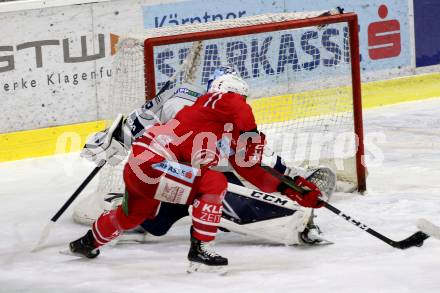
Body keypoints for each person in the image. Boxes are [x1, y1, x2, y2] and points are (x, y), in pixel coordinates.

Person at [69, 73, 326, 273]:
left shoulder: (225, 128)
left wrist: (295, 190)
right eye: (243, 98)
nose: (245, 103)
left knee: (133, 215)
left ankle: (87, 243)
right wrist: (251, 133)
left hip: (145, 168)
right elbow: (238, 108)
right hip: (155, 159)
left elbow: (253, 170)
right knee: (214, 182)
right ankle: (201, 250)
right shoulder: (216, 101)